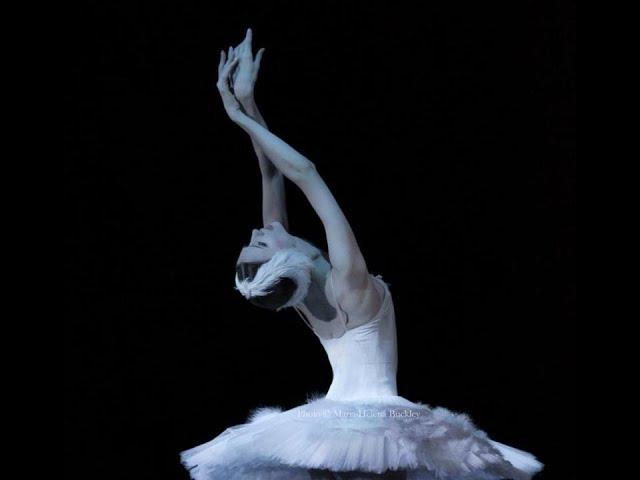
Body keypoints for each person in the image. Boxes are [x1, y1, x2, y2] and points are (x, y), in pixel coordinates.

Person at [180, 29, 543, 480]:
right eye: (258, 242)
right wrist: (235, 115)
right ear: (279, 261)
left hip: (333, 423)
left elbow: (272, 175)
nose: (259, 228)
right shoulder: (348, 282)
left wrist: (250, 101)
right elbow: (305, 174)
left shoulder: (306, 296)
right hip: (372, 423)